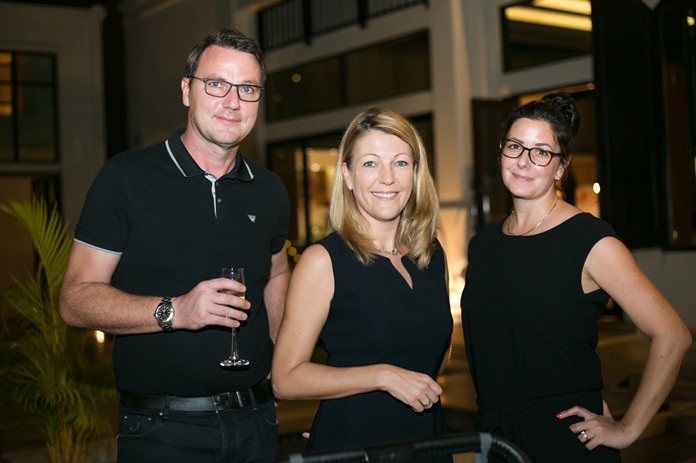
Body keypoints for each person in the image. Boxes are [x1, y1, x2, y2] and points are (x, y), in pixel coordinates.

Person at [59, 27, 290, 463]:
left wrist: (280, 359)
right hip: (161, 431)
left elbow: (277, 271)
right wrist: (177, 311)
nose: (232, 101)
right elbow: (75, 300)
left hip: (255, 421)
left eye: (247, 88)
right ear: (187, 90)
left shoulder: (270, 190)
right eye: (217, 84)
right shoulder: (125, 179)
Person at [460, 92, 693, 463]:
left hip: (565, 439)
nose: (524, 161)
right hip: (495, 438)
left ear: (561, 166)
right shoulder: (484, 243)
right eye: (515, 146)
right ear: (501, 151)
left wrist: (628, 428)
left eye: (541, 152)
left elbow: (673, 334)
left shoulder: (590, 240)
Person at [271, 107, 453, 462]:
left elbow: (435, 357)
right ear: (347, 175)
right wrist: (382, 376)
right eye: (370, 163)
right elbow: (285, 378)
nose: (387, 178)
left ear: (416, 173)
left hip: (427, 441)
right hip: (354, 444)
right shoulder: (323, 261)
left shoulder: (431, 256)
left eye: (400, 163)